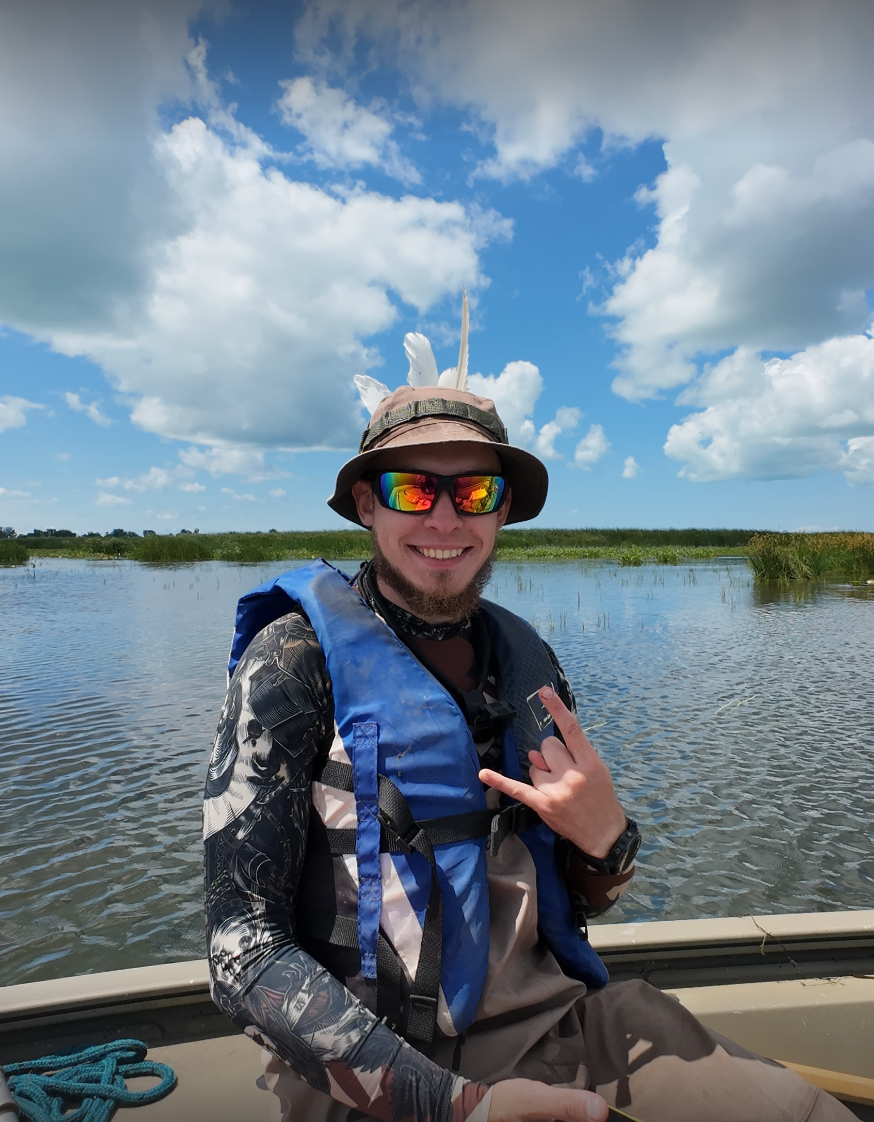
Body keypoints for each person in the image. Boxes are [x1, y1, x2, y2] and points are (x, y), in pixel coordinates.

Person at [203, 322, 854, 1122]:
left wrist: (610, 838)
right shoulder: (291, 664)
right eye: (414, 489)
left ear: (502, 508)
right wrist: (455, 1105)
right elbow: (242, 953)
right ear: (368, 504)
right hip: (375, 1071)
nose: (446, 519)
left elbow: (587, 897)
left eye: (474, 491)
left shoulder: (527, 663)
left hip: (565, 1024)